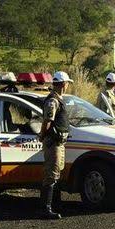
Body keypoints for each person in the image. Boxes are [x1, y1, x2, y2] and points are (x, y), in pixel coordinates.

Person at [38, 71, 73, 219]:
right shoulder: (53, 101)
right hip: (53, 143)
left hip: (59, 142)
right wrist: (42, 135)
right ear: (64, 84)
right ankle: (46, 209)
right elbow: (47, 121)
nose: (67, 86)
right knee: (51, 175)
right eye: (67, 83)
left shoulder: (58, 99)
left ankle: (54, 205)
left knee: (56, 173)